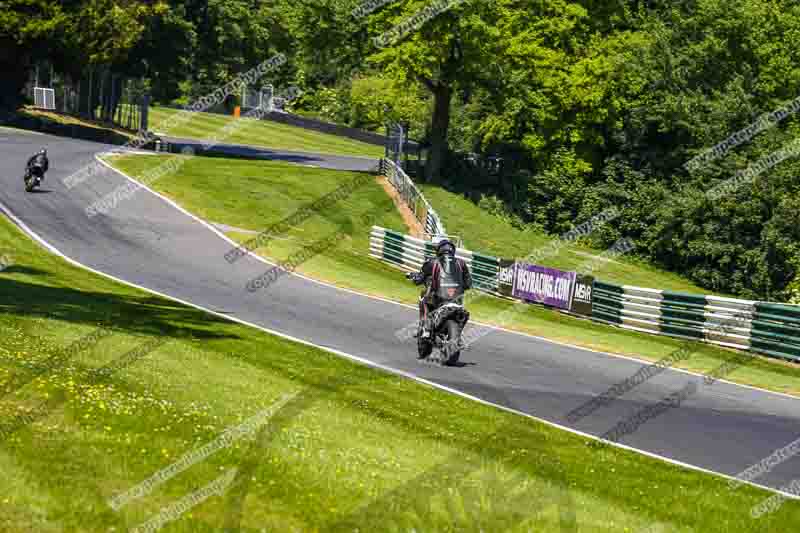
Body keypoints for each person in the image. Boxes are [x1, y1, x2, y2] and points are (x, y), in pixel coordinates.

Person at [407, 239, 472, 339]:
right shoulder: (462, 263)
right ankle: (459, 335)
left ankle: (426, 329)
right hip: (457, 301)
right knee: (463, 313)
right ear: (452, 251)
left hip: (439, 299)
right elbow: (468, 284)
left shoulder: (431, 262)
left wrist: (414, 277)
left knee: (423, 298)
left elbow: (419, 279)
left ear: (438, 250)